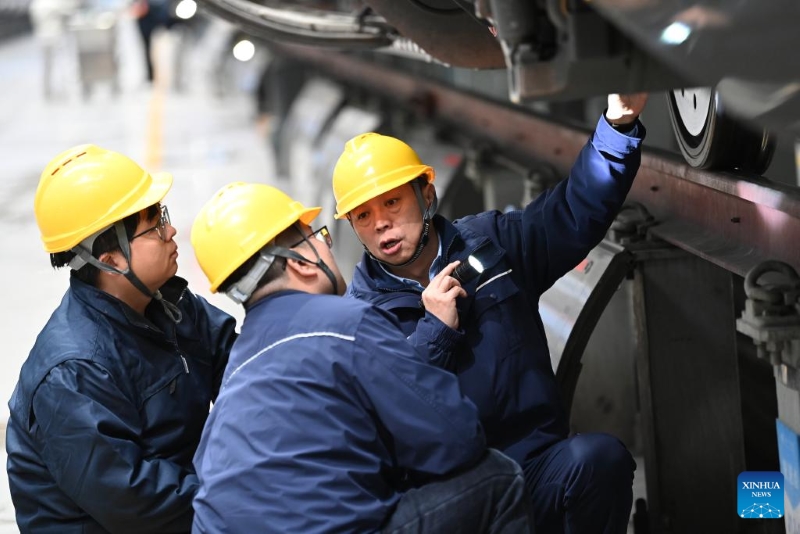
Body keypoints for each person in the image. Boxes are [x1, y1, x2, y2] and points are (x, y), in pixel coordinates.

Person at [331, 93, 649, 533]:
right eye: (363, 215)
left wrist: (617, 129)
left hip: (533, 467)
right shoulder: (359, 319)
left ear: (426, 194)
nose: (381, 223)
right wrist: (434, 335)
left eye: (392, 203)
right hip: (454, 501)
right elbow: (375, 422)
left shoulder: (491, 244)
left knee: (599, 461)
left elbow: (571, 214)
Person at [189, 182, 535, 533]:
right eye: (320, 237)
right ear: (303, 263)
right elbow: (457, 440)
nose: (327, 245)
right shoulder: (348, 322)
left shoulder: (237, 368)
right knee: (497, 476)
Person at [5, 144, 237, 533]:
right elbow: (137, 501)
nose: (171, 230)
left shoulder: (171, 305)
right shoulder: (72, 373)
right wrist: (241, 493)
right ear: (110, 259)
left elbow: (244, 367)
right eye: (155, 224)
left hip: (187, 504)